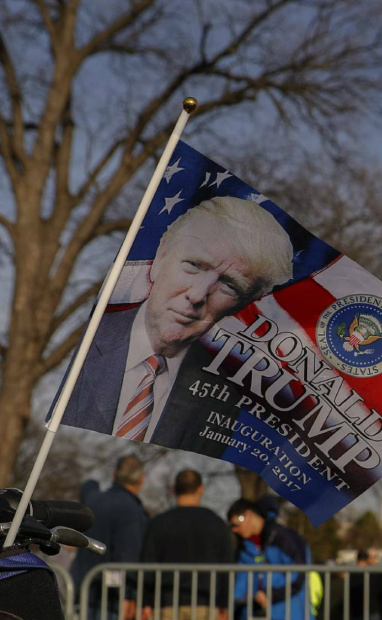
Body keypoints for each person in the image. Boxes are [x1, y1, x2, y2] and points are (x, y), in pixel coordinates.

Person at [65, 196, 294, 447]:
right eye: (194, 265)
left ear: (245, 304)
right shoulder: (80, 340)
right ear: (161, 255)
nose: (197, 295)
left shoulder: (228, 401)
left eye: (229, 285)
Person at [139, 470, 234, 620]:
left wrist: (145, 602)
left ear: (174, 489)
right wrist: (225, 604)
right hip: (206, 605)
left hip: (166, 603)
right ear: (200, 489)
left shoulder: (158, 523)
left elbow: (147, 565)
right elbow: (227, 567)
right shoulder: (217, 523)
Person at [70, 455, 148, 620]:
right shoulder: (132, 511)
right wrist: (128, 595)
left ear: (114, 475)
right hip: (110, 597)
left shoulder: (93, 500)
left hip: (82, 588)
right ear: (141, 480)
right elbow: (127, 555)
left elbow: (88, 487)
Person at [229, 499, 310, 620]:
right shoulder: (244, 547)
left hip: (286, 612)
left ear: (249, 514)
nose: (234, 530)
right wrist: (236, 606)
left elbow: (297, 574)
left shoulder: (282, 538)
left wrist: (270, 595)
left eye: (236, 524)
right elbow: (240, 583)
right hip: (253, 613)